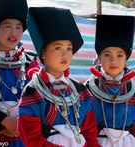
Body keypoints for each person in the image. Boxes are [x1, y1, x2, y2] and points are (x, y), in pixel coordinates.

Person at [17, 7, 99, 147]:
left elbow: (90, 130)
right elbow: (31, 138)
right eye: (58, 48)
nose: (65, 54)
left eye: (69, 49)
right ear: (43, 53)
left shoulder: (80, 90)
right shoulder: (34, 90)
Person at [0, 0, 39, 146]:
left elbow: (37, 96)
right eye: (7, 26)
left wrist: (18, 123)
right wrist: (3, 121)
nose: (13, 32)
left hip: (22, 132)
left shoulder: (30, 60)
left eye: (18, 27)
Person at [85, 15, 135, 147]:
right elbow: (86, 125)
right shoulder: (89, 87)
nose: (113, 61)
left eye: (119, 55)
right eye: (107, 55)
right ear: (99, 57)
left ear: (126, 58)